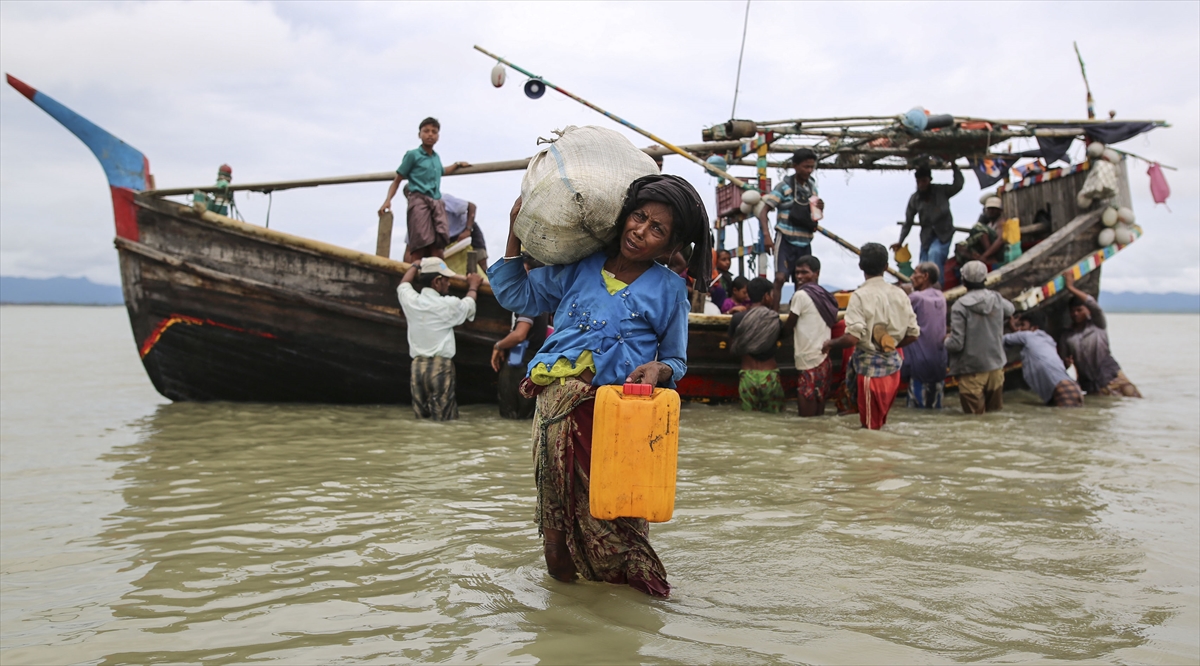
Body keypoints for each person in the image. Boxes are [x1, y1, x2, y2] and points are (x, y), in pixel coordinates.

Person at [488, 174, 711, 598]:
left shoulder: (669, 290)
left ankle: (627, 628)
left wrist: (658, 370)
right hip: (556, 413)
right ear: (624, 217)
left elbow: (677, 360)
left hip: (620, 420)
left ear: (669, 247)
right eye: (638, 217)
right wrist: (514, 233)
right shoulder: (579, 269)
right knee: (556, 533)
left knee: (622, 522)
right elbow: (516, 293)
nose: (640, 231)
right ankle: (568, 621)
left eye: (657, 229)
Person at [823, 243, 919, 429]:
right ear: (886, 267)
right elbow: (913, 334)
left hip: (870, 372)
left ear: (861, 266)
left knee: (869, 429)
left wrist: (830, 343)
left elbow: (852, 338)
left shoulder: (860, 296)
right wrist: (889, 344)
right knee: (879, 424)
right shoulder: (900, 294)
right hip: (893, 369)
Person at [396, 257, 482, 421]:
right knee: (445, 420)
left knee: (421, 419)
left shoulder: (411, 301)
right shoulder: (448, 304)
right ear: (436, 282)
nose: (449, 284)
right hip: (440, 367)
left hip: (417, 368)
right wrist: (473, 286)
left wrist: (415, 264)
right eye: (446, 280)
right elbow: (469, 305)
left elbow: (403, 284)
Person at [379, 117, 471, 262]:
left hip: (436, 202)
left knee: (439, 244)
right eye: (426, 131)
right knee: (419, 243)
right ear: (419, 134)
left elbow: (442, 171)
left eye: (434, 132)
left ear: (438, 137)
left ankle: (439, 278)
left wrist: (457, 164)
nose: (430, 134)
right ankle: (415, 274)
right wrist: (387, 201)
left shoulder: (435, 157)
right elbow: (397, 180)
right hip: (419, 201)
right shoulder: (413, 155)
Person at [945, 260, 1014, 414]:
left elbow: (956, 344)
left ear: (964, 281)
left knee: (974, 421)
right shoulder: (996, 298)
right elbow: (1010, 309)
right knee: (994, 416)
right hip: (995, 367)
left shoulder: (960, 306)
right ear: (985, 279)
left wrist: (945, 340)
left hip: (972, 370)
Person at [1059, 272, 1142, 397]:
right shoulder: (1067, 336)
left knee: (1135, 399)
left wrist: (1071, 288)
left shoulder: (1097, 324)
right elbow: (1063, 363)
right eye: (1072, 311)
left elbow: (1092, 303)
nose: (1075, 314)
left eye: (1079, 310)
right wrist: (1067, 363)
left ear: (1088, 311)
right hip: (1090, 384)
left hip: (1112, 376)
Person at [760, 149, 824, 303]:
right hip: (786, 238)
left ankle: (798, 313)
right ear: (795, 166)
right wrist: (767, 236)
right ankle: (774, 316)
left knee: (802, 280)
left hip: (805, 240)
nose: (809, 170)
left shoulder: (812, 187)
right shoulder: (784, 186)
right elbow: (764, 211)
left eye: (811, 167)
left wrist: (819, 208)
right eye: (805, 167)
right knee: (780, 278)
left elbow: (815, 214)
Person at [782, 256, 838, 416]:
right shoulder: (825, 295)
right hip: (824, 361)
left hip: (808, 362)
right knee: (818, 418)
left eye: (804, 272)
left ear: (816, 273)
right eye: (797, 272)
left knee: (805, 423)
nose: (799, 277)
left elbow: (789, 325)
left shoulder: (801, 295)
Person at [893, 164, 963, 283]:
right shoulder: (915, 199)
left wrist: (955, 166)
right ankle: (923, 291)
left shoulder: (941, 191)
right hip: (927, 237)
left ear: (929, 180)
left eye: (924, 181)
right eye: (919, 181)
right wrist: (900, 241)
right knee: (922, 266)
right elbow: (908, 221)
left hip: (943, 234)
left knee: (934, 255)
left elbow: (958, 185)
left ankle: (937, 288)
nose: (921, 184)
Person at [1004, 310, 1083, 407]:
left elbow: (1000, 340)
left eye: (1022, 325)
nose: (1019, 329)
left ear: (1034, 328)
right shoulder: (1048, 340)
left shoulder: (1027, 336)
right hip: (1072, 387)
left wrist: (1009, 325)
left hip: (1063, 389)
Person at [729, 277, 783, 413]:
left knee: (749, 422)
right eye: (771, 294)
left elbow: (733, 347)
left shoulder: (737, 319)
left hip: (747, 376)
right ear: (766, 296)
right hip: (770, 376)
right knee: (775, 420)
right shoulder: (774, 319)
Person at [902, 262, 948, 408]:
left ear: (925, 276)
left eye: (915, 273)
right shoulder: (941, 297)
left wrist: (904, 292)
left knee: (916, 410)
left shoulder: (916, 297)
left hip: (919, 363)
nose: (912, 277)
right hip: (939, 363)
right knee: (935, 406)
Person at [492, 311, 550, 419]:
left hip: (520, 362)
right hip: (535, 362)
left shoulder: (528, 303)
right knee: (527, 413)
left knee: (510, 414)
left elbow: (519, 335)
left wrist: (498, 346)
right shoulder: (543, 303)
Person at [954, 196, 1006, 269]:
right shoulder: (988, 225)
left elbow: (1000, 240)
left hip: (997, 252)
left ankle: (989, 259)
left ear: (1000, 211)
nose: (991, 211)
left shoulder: (1001, 222)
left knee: (978, 227)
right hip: (984, 251)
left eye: (994, 209)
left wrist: (985, 256)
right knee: (961, 245)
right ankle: (977, 258)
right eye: (989, 209)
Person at [442, 193, 488, 273]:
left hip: (467, 229)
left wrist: (468, 230)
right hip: (448, 238)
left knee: (481, 262)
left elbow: (471, 206)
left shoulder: (444, 199)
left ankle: (489, 283)